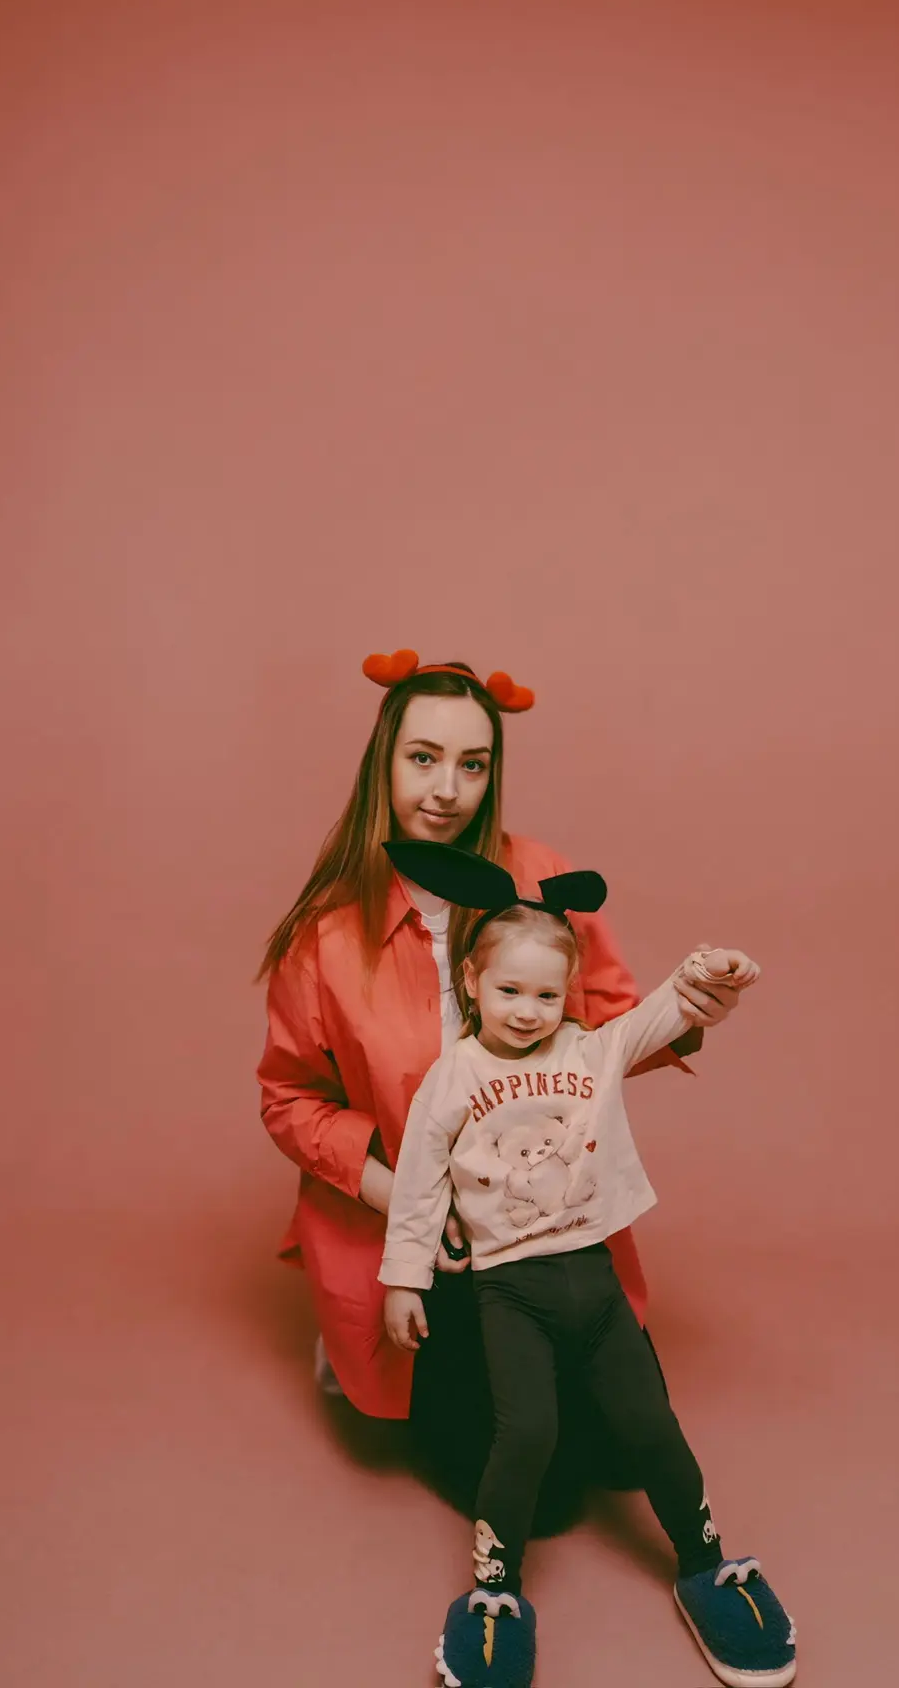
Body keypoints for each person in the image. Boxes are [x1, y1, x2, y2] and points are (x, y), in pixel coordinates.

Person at [256, 652, 747, 1521]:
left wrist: (691, 1013)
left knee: (624, 1457)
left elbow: (609, 1026)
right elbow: (290, 1100)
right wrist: (402, 1198)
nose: (446, 789)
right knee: (544, 1505)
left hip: (545, 1224)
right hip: (434, 1243)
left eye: (472, 764)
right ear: (383, 762)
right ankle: (354, 1340)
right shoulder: (325, 936)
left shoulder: (542, 877)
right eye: (422, 758)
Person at [379, 838, 796, 1688]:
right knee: (526, 1432)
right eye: (509, 991)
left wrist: (707, 971)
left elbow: (663, 1014)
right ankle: (494, 1591)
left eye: (545, 993)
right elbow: (418, 1185)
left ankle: (704, 1562)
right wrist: (403, 1277)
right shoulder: (451, 1079)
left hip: (594, 1282)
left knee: (652, 1426)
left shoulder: (589, 1051)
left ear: (566, 992)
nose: (527, 1011)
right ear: (471, 982)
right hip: (509, 1292)